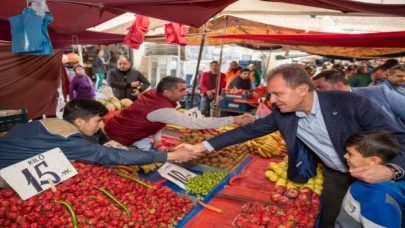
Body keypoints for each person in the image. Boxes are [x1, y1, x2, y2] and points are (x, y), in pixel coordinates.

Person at [177, 64, 405, 228]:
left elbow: (399, 138)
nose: (272, 101)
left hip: (377, 176)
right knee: (330, 219)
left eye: (278, 94)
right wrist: (201, 147)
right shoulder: (282, 114)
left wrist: (391, 170)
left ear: (302, 90)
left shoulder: (351, 103)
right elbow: (248, 131)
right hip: (336, 174)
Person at [0, 99, 194, 170]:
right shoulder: (68, 138)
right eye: (97, 121)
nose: (101, 125)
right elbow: (110, 156)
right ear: (79, 122)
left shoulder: (49, 122)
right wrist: (170, 155)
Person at [104, 76, 255, 147]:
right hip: (119, 136)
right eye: (182, 90)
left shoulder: (153, 94)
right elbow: (196, 123)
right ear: (168, 93)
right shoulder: (162, 108)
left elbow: (156, 120)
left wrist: (157, 139)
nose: (186, 92)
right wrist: (234, 119)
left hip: (118, 128)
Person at [335, 131, 405, 228]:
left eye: (350, 154)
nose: (345, 156)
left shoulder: (378, 198)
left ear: (373, 161)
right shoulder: (364, 181)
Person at [312, 70, 405, 128]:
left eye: (319, 87)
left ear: (339, 85)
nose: (316, 91)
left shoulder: (380, 92)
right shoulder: (326, 108)